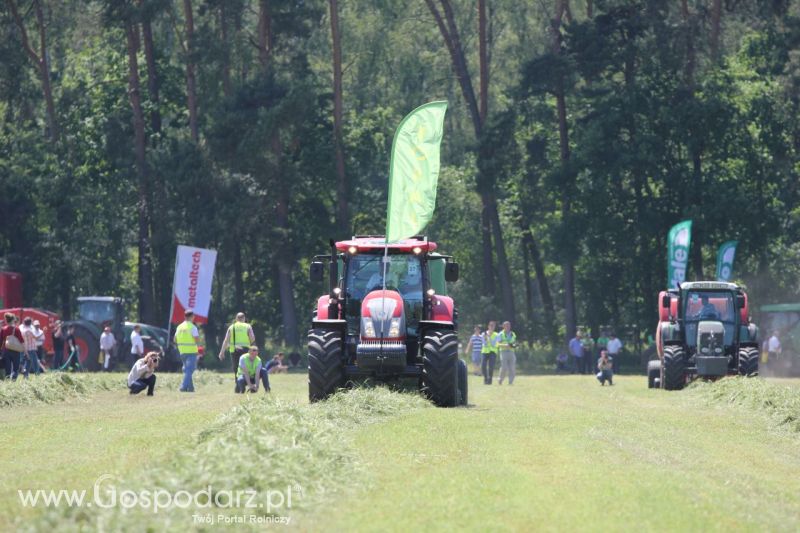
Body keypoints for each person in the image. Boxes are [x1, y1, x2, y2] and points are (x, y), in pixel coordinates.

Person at [218, 312, 256, 377]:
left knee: (236, 368)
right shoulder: (247, 326)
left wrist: (222, 352)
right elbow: (252, 338)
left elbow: (226, 340)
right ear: (244, 318)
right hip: (246, 350)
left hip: (234, 351)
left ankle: (238, 383)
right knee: (246, 367)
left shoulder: (232, 327)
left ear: (236, 319)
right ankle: (245, 382)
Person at [174, 309, 202, 392]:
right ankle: (183, 387)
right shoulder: (192, 327)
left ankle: (190, 388)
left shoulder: (179, 327)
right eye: (193, 316)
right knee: (190, 370)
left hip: (182, 351)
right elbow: (196, 340)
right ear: (191, 317)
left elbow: (175, 339)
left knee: (187, 369)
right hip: (191, 351)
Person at [1, 313, 23, 379]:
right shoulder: (17, 329)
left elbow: (1, 340)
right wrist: (25, 350)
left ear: (6, 320)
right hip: (16, 350)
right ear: (13, 320)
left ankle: (7, 380)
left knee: (7, 367)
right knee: (16, 368)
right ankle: (13, 379)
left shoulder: (3, 329)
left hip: (6, 350)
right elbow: (22, 340)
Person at [480, 320, 499, 385]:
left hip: (493, 352)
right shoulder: (483, 334)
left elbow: (494, 344)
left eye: (493, 326)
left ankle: (490, 380)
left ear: (494, 327)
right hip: (485, 352)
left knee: (491, 366)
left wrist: (489, 337)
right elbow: (485, 344)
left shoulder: (496, 335)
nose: (491, 327)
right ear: (488, 326)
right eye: (490, 325)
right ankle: (485, 378)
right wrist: (486, 337)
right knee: (483, 366)